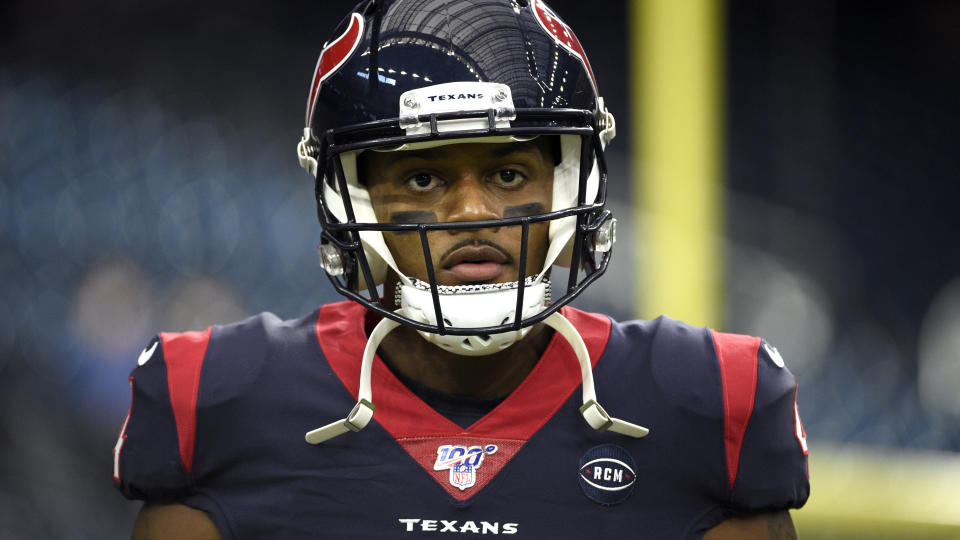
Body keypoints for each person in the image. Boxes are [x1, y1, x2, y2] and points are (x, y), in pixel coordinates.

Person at [113, 0, 810, 538]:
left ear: (571, 190)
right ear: (347, 199)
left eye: (509, 172)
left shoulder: (709, 403)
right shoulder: (218, 401)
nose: (472, 212)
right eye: (420, 179)